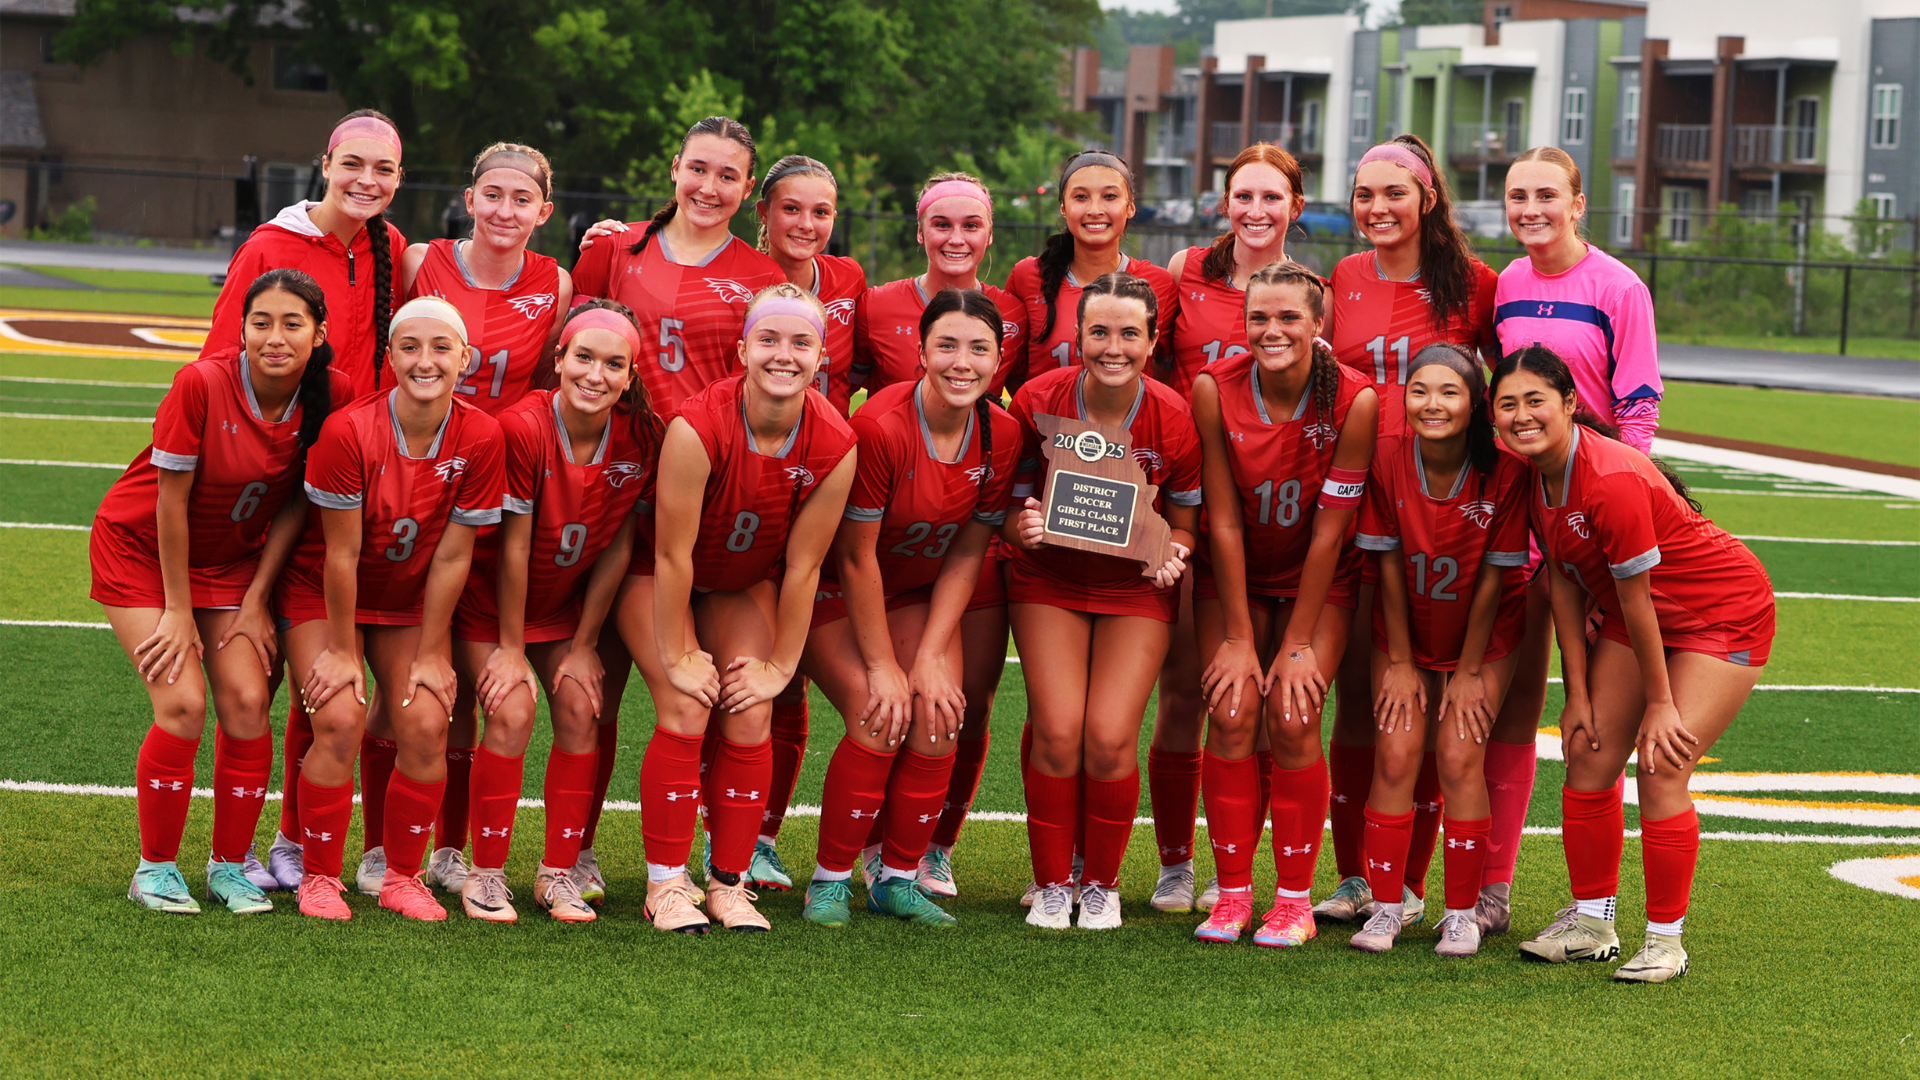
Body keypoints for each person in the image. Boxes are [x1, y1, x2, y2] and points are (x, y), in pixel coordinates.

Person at [1494, 345, 1772, 984]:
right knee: (1589, 753)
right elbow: (1564, 583)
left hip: (1720, 610)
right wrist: (1579, 694)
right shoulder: (1531, 472)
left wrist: (1661, 701)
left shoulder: (1612, 477)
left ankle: (1666, 940)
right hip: (1631, 613)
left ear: (1570, 404)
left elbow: (1637, 598)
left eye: (1536, 400)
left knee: (1661, 761)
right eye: (1507, 404)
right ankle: (1592, 924)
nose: (1521, 415)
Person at [567, 116, 786, 905]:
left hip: (720, 512)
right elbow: (577, 357)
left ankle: (719, 866)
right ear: (673, 168)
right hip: (623, 505)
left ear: (747, 190)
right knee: (598, 694)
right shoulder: (611, 250)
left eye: (729, 176)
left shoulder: (761, 273)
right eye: (699, 168)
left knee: (722, 695)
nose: (709, 187)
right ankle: (578, 849)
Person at [201, 110, 409, 892]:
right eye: (353, 164)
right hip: (268, 487)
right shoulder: (270, 246)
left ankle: (292, 838)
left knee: (321, 669)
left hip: (345, 489)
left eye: (384, 170)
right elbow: (225, 364)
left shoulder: (387, 248)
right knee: (257, 681)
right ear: (323, 163)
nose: (367, 181)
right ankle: (236, 852)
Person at [99, 269, 349, 915]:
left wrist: (258, 596)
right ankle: (154, 869)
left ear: (319, 334)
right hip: (143, 551)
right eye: (260, 322)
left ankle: (229, 867)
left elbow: (297, 501)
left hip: (233, 562)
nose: (274, 337)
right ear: (240, 328)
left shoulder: (333, 394)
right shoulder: (202, 383)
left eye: (292, 324)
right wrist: (179, 612)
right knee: (182, 703)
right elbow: (169, 503)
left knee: (244, 700)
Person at [616, 283, 856, 933]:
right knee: (688, 700)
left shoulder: (835, 442)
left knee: (752, 704)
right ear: (742, 348)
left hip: (738, 579)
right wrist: (677, 651)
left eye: (801, 342)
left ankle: (729, 881)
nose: (784, 355)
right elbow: (672, 555)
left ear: (821, 354)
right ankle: (666, 884)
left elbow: (804, 566)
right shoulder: (700, 426)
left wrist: (780, 666)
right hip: (659, 572)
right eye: (770, 340)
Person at [1317, 135, 1505, 927]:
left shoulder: (1478, 284)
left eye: (1394, 192)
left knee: (1433, 706)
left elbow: (1505, 391)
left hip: (1446, 515)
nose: (1377, 208)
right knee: (1367, 702)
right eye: (1364, 194)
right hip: (1358, 500)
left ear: (1428, 199)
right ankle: (1361, 877)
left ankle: (1418, 881)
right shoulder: (1346, 277)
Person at [798, 287, 1020, 928]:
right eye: (946, 345)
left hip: (917, 597)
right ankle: (830, 880)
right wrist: (885, 666)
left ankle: (897, 876)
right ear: (919, 351)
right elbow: (856, 556)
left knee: (941, 712)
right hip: (837, 594)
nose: (962, 362)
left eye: (979, 348)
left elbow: (966, 551)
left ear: (999, 360)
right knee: (879, 712)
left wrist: (926, 656)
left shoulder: (999, 433)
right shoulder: (880, 426)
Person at [279, 297, 504, 921]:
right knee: (341, 716)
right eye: (409, 347)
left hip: (407, 602)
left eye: (440, 348)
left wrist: (434, 651)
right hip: (325, 594)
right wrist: (343, 651)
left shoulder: (482, 436)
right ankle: (319, 876)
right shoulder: (350, 430)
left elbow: (454, 557)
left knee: (430, 721)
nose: (424, 361)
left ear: (466, 358)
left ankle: (403, 875)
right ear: (390, 357)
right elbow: (340, 554)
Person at [390, 141, 571, 898]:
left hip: (497, 497)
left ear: (544, 211)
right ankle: (355, 848)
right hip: (412, 488)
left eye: (522, 199)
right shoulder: (419, 261)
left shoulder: (556, 283)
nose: (505, 210)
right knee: (393, 686)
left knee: (474, 688)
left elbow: (538, 390)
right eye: (492, 195)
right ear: (470, 198)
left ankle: (453, 852)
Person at [447, 302, 661, 923]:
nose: (596, 375)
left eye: (613, 365)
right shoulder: (522, 426)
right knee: (511, 711)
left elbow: (619, 541)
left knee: (579, 705)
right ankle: (484, 874)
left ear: (630, 376)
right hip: (491, 606)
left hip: (563, 610)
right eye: (584, 358)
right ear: (559, 360)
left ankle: (557, 873)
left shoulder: (641, 433)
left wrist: (587, 641)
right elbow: (514, 544)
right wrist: (511, 648)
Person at [1003, 272, 1201, 931]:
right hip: (1049, 581)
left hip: (1133, 589)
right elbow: (1005, 506)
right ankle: (1054, 881)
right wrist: (1024, 527)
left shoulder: (1172, 415)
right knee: (1058, 730)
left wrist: (1174, 550)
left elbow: (1186, 521)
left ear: (1152, 341)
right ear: (1077, 336)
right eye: (1098, 331)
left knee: (1110, 736)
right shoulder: (1037, 398)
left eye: (1128, 333)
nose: (1111, 346)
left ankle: (1102, 886)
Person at [849, 170, 1029, 896]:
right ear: (919, 230)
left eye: (971, 225)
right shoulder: (877, 302)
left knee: (969, 697)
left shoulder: (1014, 308)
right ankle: (870, 843)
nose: (957, 238)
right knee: (885, 697)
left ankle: (933, 844)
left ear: (989, 234)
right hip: (892, 529)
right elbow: (843, 385)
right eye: (942, 224)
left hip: (974, 519)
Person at [1188, 261, 1378, 947]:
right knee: (1233, 708)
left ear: (1318, 325)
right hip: (1232, 572)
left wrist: (1297, 643)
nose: (1272, 330)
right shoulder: (1213, 389)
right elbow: (1224, 519)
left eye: (1289, 317)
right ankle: (1233, 893)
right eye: (1259, 317)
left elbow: (1332, 529)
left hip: (1318, 578)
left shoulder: (1353, 399)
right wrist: (1239, 636)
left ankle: (1294, 899)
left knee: (1295, 715)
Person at [1148, 142, 1307, 913]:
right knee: (1185, 689)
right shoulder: (1187, 270)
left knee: (1266, 704)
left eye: (1272, 198)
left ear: (1295, 208)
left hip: (1275, 514)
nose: (1256, 211)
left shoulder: (1312, 291)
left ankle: (1236, 865)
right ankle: (1176, 862)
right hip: (1186, 500)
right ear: (1224, 202)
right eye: (1243, 195)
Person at [1348, 344, 1530, 956]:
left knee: (1457, 757)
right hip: (1405, 629)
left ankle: (1460, 912)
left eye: (1449, 392)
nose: (1432, 403)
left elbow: (1493, 580)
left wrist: (1470, 670)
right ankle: (1386, 905)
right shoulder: (1388, 458)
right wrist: (1400, 661)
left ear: (1475, 402)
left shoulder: (1504, 469)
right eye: (1420, 390)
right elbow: (1389, 566)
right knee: (1397, 755)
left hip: (1484, 636)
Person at [746, 154, 867, 890]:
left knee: (786, 675)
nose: (805, 224)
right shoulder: (730, 273)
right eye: (792, 209)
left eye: (820, 211)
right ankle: (728, 831)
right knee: (750, 676)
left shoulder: (851, 283)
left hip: (817, 484)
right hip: (735, 487)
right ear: (763, 212)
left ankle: (759, 835)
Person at [1495, 147, 1662, 453]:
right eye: (1518, 197)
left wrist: (1622, 480)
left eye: (1547, 196)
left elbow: (1639, 409)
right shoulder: (1508, 282)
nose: (1530, 210)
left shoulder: (1621, 288)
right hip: (1522, 474)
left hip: (1593, 473)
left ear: (1577, 205)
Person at [1005, 151, 1175, 390]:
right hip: (1042, 425)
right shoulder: (1027, 276)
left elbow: (1163, 374)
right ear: (1063, 207)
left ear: (1130, 207)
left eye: (1110, 196)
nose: (1095, 209)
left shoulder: (1159, 283)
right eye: (1081, 197)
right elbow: (1012, 372)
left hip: (1125, 426)